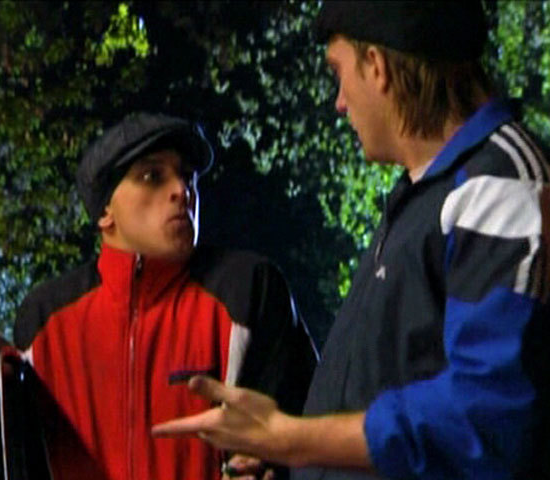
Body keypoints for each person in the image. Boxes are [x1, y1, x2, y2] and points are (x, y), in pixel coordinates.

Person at [152, 2, 550, 479]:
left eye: (338, 73)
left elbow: (486, 422)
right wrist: (296, 461)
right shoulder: (423, 194)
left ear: (377, 67)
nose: (339, 102)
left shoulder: (501, 185)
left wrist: (293, 439)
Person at [14, 111, 317, 480]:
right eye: (152, 176)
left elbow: (312, 431)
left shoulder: (248, 289)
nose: (182, 190)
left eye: (187, 175)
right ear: (105, 211)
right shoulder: (43, 321)